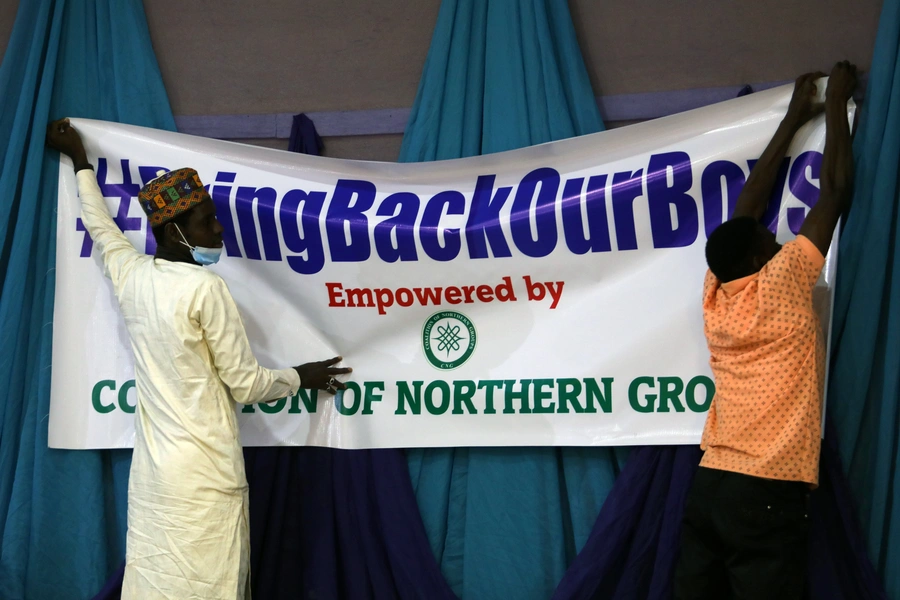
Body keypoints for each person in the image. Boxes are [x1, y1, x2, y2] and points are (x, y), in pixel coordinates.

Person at [46, 119, 352, 600]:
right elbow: (246, 386)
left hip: (156, 482)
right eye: (207, 220)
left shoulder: (133, 276)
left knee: (156, 584)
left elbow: (100, 227)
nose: (218, 226)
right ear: (175, 232)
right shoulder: (206, 288)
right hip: (208, 481)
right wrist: (302, 376)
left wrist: (81, 161)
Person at [674, 61, 857, 600]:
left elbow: (744, 210)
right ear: (761, 257)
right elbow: (836, 194)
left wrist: (795, 116)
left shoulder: (716, 290)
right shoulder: (782, 280)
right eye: (769, 242)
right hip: (767, 492)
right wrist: (836, 109)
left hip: (711, 482)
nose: (777, 239)